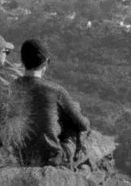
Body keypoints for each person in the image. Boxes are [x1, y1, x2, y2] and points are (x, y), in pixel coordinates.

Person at [14, 37, 92, 166]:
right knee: (73, 121)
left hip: (20, 155)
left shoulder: (11, 88)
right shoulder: (55, 91)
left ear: (22, 61)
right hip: (51, 157)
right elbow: (83, 125)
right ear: (45, 63)